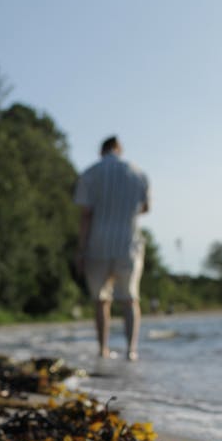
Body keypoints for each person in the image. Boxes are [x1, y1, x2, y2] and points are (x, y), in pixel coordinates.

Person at [74, 136, 150, 361]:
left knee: (101, 301)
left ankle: (103, 349)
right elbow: (145, 208)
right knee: (130, 299)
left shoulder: (90, 174)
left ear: (102, 150)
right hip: (129, 244)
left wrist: (80, 249)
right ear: (119, 149)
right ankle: (131, 350)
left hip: (97, 245)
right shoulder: (138, 173)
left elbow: (86, 215)